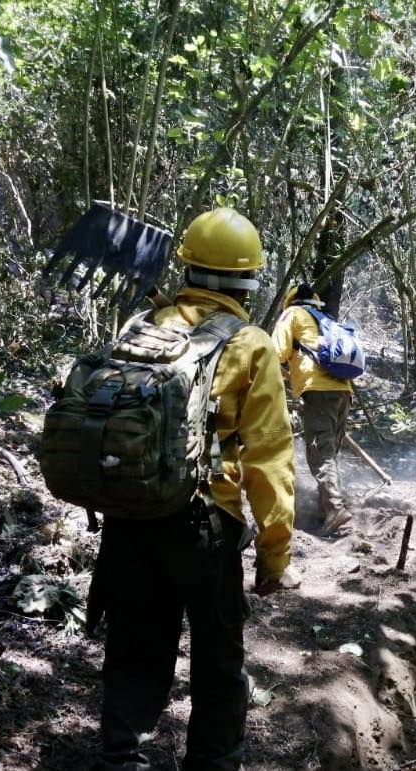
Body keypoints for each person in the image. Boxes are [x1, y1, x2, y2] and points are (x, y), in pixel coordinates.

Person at [93, 207, 296, 771]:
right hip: (204, 525)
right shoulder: (252, 343)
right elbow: (270, 459)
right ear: (248, 280)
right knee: (217, 659)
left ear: (185, 266)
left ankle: (120, 756)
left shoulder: (140, 326)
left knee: (134, 645)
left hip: (130, 514)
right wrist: (275, 555)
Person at [271, 283, 353, 535]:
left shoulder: (292, 315)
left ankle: (334, 510)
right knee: (329, 451)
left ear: (291, 301)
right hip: (343, 391)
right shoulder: (326, 319)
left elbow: (275, 351)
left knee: (320, 452)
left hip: (318, 392)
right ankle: (324, 508)